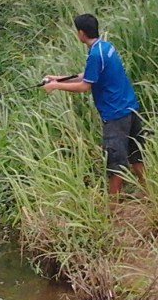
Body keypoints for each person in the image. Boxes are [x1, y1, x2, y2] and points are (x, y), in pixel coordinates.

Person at [43, 13, 144, 196]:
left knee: (115, 163)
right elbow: (89, 75)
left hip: (115, 115)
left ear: (81, 33)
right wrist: (57, 78)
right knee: (135, 152)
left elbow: (84, 86)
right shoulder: (105, 47)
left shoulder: (95, 55)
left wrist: (56, 86)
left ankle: (113, 209)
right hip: (130, 107)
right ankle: (148, 190)